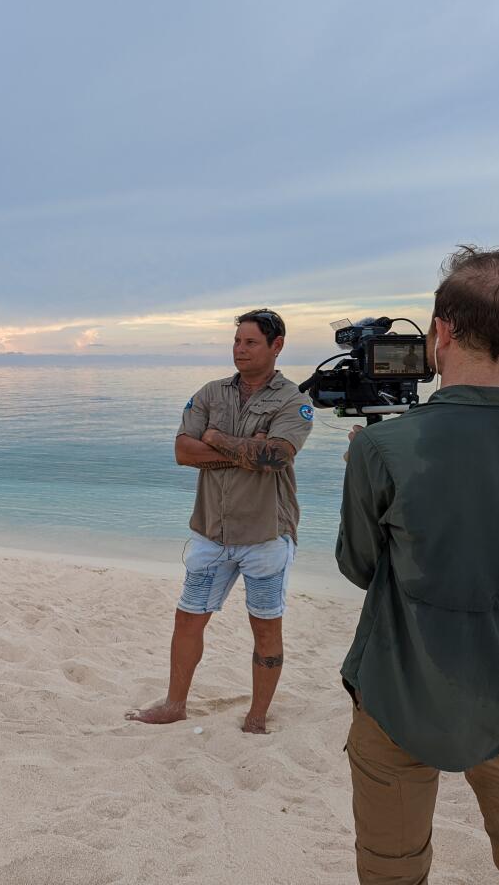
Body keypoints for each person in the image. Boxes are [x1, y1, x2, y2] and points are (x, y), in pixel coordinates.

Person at [338, 246, 499, 883]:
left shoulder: (384, 446)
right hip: (497, 682)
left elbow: (360, 566)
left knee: (390, 861)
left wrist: (363, 464)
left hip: (397, 690)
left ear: (440, 329)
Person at [126, 309, 314, 734]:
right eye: (237, 341)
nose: (240, 350)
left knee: (265, 628)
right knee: (188, 618)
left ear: (276, 345)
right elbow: (182, 452)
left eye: (250, 342)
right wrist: (246, 450)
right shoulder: (211, 393)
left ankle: (257, 716)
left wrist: (214, 438)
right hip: (211, 530)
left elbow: (278, 456)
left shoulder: (293, 401)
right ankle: (175, 704)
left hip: (266, 534)